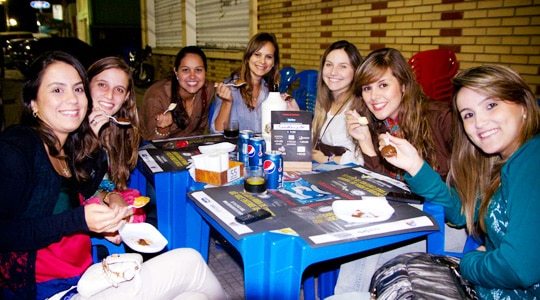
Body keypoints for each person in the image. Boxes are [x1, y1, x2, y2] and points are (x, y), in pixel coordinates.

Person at [0, 51, 226, 300]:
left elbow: (86, 189)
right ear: (32, 101)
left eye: (76, 90)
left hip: (81, 279)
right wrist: (81, 219)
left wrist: (101, 218)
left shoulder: (65, 149)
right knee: (191, 261)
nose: (72, 100)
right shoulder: (18, 147)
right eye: (57, 90)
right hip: (45, 292)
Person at [380, 64, 540, 299]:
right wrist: (415, 165)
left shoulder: (532, 158)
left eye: (491, 105)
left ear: (524, 106)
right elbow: (461, 212)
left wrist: (470, 261)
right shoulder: (496, 163)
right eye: (469, 114)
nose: (480, 122)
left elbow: (518, 268)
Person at [333, 48, 465, 295]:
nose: (374, 96)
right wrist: (364, 142)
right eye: (367, 88)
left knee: (377, 264)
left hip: (445, 222)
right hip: (401, 215)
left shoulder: (441, 118)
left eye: (383, 85)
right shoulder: (380, 124)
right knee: (358, 244)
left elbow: (462, 196)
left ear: (404, 85)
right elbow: (384, 183)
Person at [211, 32, 296, 133]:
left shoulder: (271, 92)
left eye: (268, 57)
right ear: (247, 57)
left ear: (273, 63)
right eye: (257, 55)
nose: (262, 61)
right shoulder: (229, 87)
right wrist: (227, 102)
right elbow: (217, 132)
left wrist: (288, 109)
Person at [139, 46, 215, 140]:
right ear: (176, 72)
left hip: (186, 147)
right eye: (185, 70)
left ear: (205, 71)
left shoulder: (208, 90)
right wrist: (163, 129)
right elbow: (152, 141)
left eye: (198, 70)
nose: (192, 76)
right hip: (150, 147)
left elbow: (200, 129)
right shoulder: (157, 96)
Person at [311, 40, 364, 165]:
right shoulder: (324, 104)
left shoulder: (359, 108)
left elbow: (364, 158)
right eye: (329, 65)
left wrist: (327, 160)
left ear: (356, 71)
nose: (333, 72)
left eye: (343, 66)